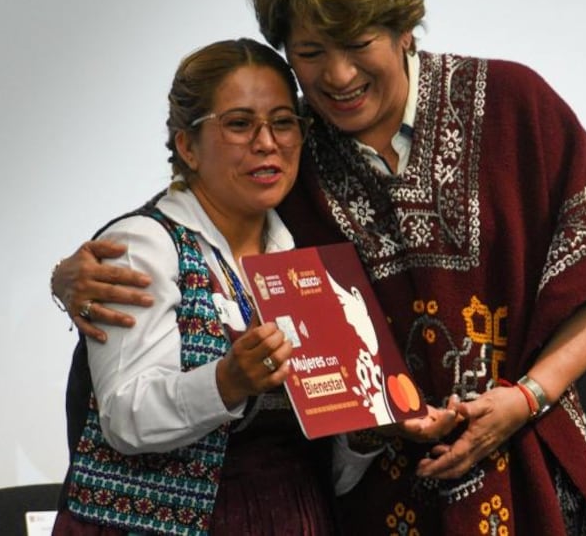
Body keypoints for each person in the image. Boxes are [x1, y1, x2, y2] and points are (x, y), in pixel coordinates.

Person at [51, 0, 586, 535]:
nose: (339, 76)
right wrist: (71, 274)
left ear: (404, 30)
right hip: (391, 487)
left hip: (541, 440)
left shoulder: (512, 104)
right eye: (312, 53)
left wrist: (527, 396)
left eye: (358, 43)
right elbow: (195, 216)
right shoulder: (294, 154)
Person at [52, 37, 363, 535]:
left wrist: (367, 434)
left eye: (283, 122)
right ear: (187, 146)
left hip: (294, 514)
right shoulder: (143, 245)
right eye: (239, 124)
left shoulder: (301, 257)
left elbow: (329, 456)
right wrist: (226, 381)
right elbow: (124, 417)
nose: (267, 142)